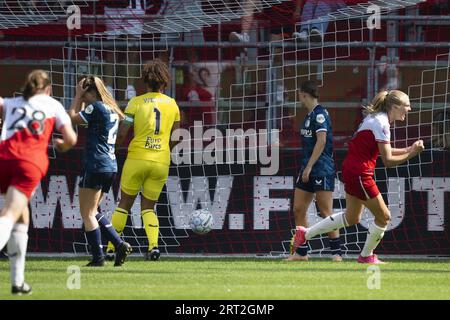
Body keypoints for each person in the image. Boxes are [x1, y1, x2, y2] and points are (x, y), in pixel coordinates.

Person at [293, 90, 425, 264]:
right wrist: (412, 154)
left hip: (353, 169)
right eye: (407, 105)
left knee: (352, 217)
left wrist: (409, 149)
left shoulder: (377, 119)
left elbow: (384, 150)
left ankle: (305, 233)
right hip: (360, 173)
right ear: (395, 106)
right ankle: (366, 256)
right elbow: (388, 161)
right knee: (384, 217)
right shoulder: (382, 123)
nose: (409, 109)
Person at [0, 70, 77, 294]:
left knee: (22, 216)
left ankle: (18, 282)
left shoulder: (13, 101)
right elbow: (71, 138)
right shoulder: (53, 105)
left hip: (3, 159)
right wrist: (62, 145)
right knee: (9, 215)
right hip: (28, 163)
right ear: (48, 89)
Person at [106, 59, 180, 261]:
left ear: (145, 81)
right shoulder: (172, 105)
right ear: (165, 82)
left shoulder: (135, 103)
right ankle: (154, 247)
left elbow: (123, 132)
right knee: (149, 207)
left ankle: (112, 248)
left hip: (137, 158)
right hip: (161, 161)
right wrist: (165, 150)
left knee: (124, 204)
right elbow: (177, 136)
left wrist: (113, 150)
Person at [68, 76, 132, 267]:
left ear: (93, 92)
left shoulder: (96, 107)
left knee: (87, 212)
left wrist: (77, 96)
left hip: (95, 164)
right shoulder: (111, 109)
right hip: (110, 165)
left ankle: (98, 258)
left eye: (86, 93)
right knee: (93, 210)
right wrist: (81, 96)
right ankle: (119, 244)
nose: (84, 97)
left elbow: (71, 117)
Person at [285, 80, 342, 262]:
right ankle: (301, 253)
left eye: (299, 94)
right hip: (307, 168)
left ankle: (336, 253)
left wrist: (309, 166)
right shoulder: (308, 116)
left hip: (321, 168)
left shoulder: (320, 115)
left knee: (325, 212)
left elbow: (322, 141)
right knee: (298, 209)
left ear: (303, 94)